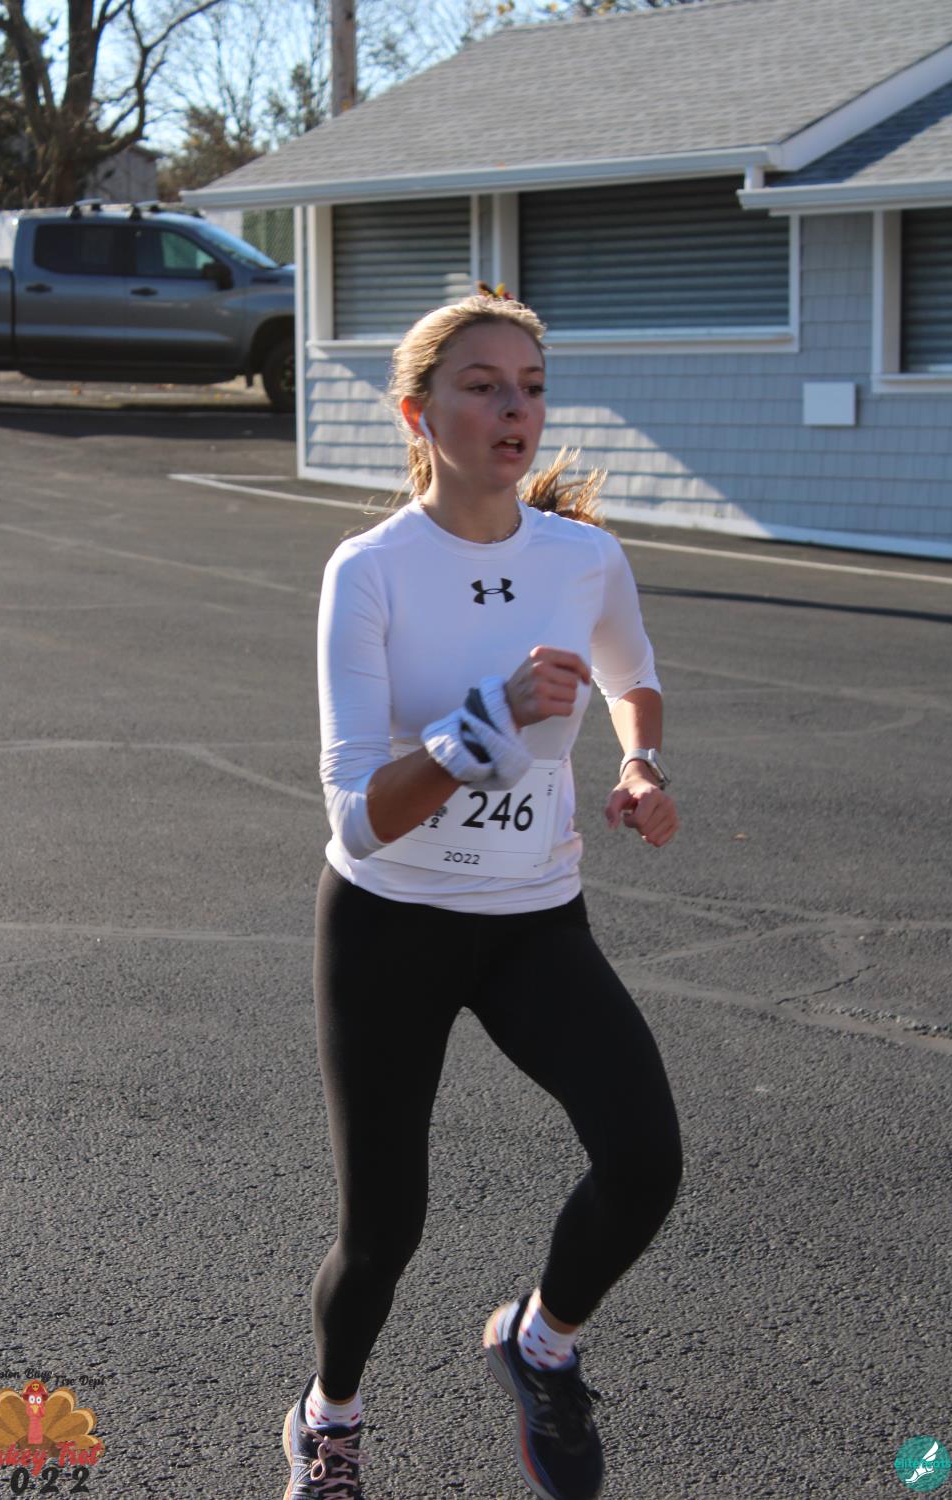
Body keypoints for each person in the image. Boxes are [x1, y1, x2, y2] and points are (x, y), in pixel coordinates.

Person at [281, 286, 684, 1500]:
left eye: (530, 389)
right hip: (389, 924)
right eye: (481, 386)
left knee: (644, 1160)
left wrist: (641, 765)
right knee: (382, 1233)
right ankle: (328, 1419)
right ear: (418, 414)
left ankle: (541, 1341)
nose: (514, 410)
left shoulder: (582, 557)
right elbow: (358, 812)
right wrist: (484, 723)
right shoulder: (371, 571)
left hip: (530, 921)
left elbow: (632, 675)